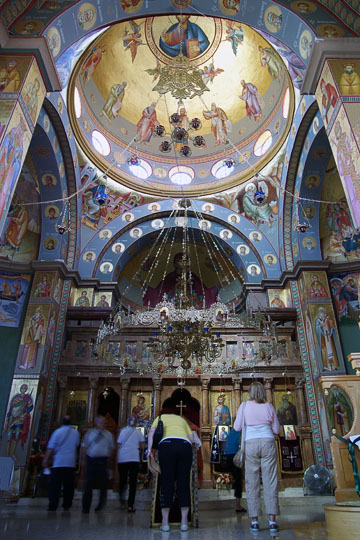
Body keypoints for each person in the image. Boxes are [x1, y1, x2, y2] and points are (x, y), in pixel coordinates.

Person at [234, 382, 280, 532]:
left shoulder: (244, 406)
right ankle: (272, 520)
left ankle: (254, 521)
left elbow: (236, 427)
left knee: (251, 481)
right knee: (270, 480)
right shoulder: (269, 406)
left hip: (251, 444)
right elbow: (276, 429)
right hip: (267, 442)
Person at [147, 408, 196, 532]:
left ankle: (165, 522)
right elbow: (191, 438)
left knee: (167, 482)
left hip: (167, 446)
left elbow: (151, 434)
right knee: (183, 483)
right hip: (185, 446)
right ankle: (184, 522)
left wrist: (149, 451)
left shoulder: (159, 418)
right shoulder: (181, 419)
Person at [42, 415, 80, 511]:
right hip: (70, 462)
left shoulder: (57, 432)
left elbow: (51, 447)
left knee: (55, 485)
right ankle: (67, 504)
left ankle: (53, 504)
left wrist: (46, 459)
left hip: (58, 461)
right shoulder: (75, 433)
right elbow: (77, 445)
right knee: (69, 485)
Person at [81, 415, 115, 513]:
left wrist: (109, 460)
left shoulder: (108, 434)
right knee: (88, 484)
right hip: (91, 460)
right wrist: (83, 460)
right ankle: (86, 506)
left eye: (104, 422)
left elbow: (112, 448)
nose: (104, 424)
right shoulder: (90, 433)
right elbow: (84, 447)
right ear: (96, 423)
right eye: (101, 422)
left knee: (103, 484)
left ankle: (100, 505)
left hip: (103, 461)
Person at [117, 416, 145, 512]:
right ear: (136, 422)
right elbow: (142, 446)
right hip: (133, 458)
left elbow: (119, 444)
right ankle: (130, 505)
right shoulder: (137, 432)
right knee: (133, 482)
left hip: (122, 458)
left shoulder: (122, 431)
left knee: (122, 480)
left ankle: (121, 500)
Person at [223, 427, 246, 513]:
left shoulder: (230, 432)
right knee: (238, 481)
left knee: (237, 480)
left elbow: (225, 444)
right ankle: (238, 505)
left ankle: (238, 503)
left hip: (228, 457)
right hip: (235, 457)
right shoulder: (241, 433)